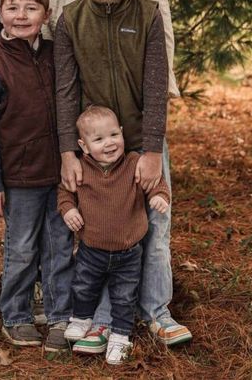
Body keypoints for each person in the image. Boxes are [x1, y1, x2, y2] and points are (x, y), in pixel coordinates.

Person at [42, 0, 191, 348]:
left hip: (141, 137)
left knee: (153, 221)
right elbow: (65, 90)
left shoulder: (145, 16)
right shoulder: (70, 19)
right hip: (94, 139)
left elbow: (154, 81)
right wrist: (68, 149)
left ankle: (157, 310)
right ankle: (101, 318)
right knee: (102, 227)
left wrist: (152, 149)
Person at [0, 0, 73, 352]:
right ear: (0, 14)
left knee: (60, 246)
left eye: (30, 7)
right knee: (21, 249)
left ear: (45, 15)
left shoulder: (53, 55)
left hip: (59, 172)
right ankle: (16, 315)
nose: (21, 14)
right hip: (17, 177)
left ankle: (60, 313)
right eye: (12, 7)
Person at [59, 105, 171, 365]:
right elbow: (64, 192)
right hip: (92, 250)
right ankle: (82, 318)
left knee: (124, 296)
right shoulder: (81, 168)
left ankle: (120, 336)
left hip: (129, 252)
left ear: (122, 133)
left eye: (113, 135)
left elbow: (156, 184)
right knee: (84, 287)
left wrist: (159, 198)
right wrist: (68, 210)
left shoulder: (133, 163)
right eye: (98, 139)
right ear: (83, 146)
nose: (108, 143)